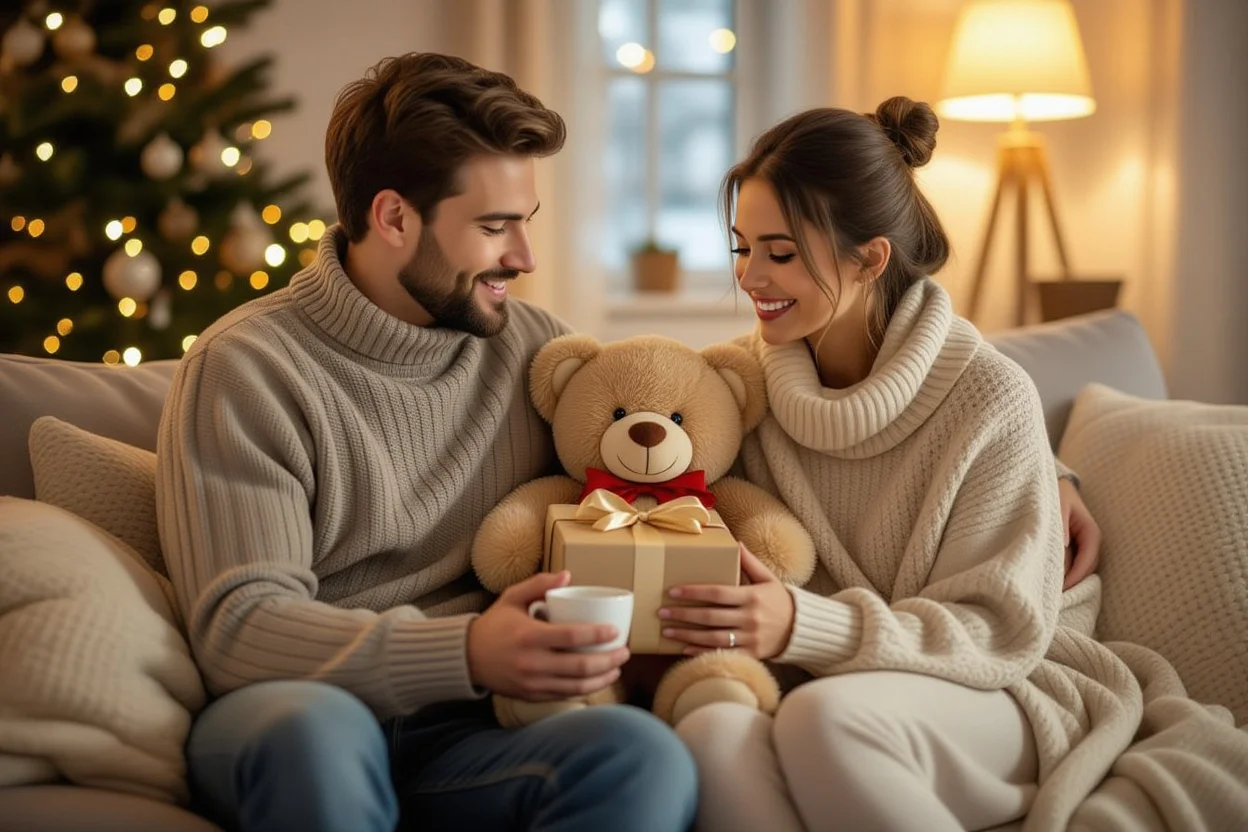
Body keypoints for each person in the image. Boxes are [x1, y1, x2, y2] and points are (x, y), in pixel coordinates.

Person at [156, 53, 697, 832]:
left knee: (637, 754)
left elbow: (640, 493)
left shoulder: (539, 353)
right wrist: (467, 650)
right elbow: (240, 629)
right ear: (394, 217)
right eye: (493, 226)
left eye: (525, 222)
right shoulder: (247, 369)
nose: (524, 257)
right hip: (295, 716)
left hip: (472, 730)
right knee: (317, 732)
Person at [661, 98, 1114, 830]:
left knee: (825, 720)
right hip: (827, 676)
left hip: (1003, 684)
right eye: (742, 246)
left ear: (870, 258)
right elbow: (634, 408)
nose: (750, 277)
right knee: (710, 734)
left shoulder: (990, 396)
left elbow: (998, 632)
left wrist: (803, 626)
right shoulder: (740, 387)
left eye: (780, 254)